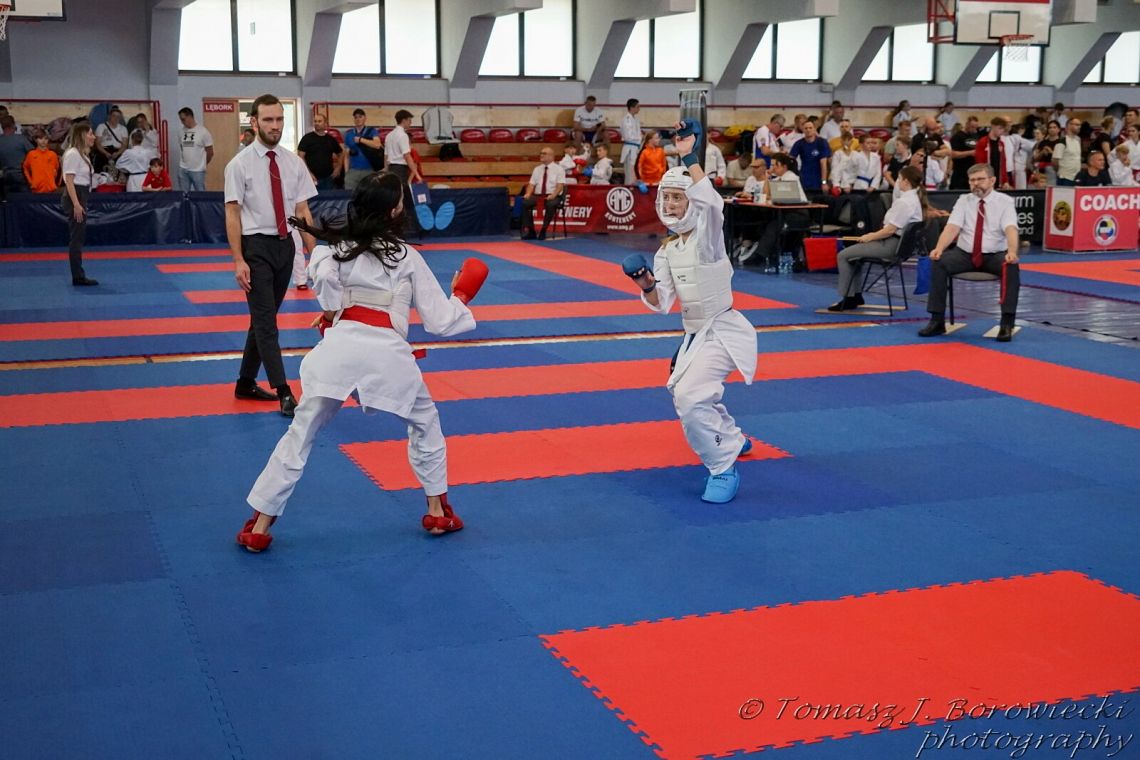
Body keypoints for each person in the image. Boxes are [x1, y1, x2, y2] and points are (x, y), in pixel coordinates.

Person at [234, 172, 489, 552]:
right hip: (388, 355)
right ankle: (438, 511)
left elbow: (330, 297)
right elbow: (440, 322)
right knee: (425, 422)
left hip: (339, 350)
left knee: (301, 432)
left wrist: (332, 316)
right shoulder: (408, 257)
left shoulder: (335, 249)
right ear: (395, 210)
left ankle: (260, 523)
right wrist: (460, 297)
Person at [620, 120, 757, 504]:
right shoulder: (667, 250)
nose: (669, 205)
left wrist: (689, 156)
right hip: (695, 335)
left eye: (677, 199)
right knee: (689, 393)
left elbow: (712, 203)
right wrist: (645, 282)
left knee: (690, 398)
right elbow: (661, 302)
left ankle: (722, 466)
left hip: (723, 330)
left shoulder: (707, 238)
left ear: (691, 202)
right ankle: (733, 438)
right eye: (665, 199)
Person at [224, 94, 319, 417]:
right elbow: (232, 213)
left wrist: (315, 254)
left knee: (263, 318)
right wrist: (238, 259)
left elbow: (302, 210)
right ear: (254, 122)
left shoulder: (293, 163)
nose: (275, 126)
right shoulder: (239, 165)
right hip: (255, 248)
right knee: (267, 323)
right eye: (268, 120)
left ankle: (245, 382)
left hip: (285, 245)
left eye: (279, 119)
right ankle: (284, 391)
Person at [919, 163, 1020, 342]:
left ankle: (1006, 323)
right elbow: (952, 227)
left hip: (995, 254)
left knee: (1011, 266)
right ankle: (937, 320)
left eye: (980, 179)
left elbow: (1010, 228)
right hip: (965, 254)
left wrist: (1012, 252)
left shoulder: (1005, 202)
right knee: (938, 263)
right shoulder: (963, 200)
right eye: (972, 180)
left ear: (992, 180)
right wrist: (939, 248)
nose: (975, 184)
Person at [827, 165, 925, 311]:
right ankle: (855, 295)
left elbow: (890, 230)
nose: (897, 182)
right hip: (896, 243)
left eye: (899, 179)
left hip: (892, 245)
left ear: (905, 181)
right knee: (854, 255)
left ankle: (848, 297)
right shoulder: (913, 199)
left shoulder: (905, 202)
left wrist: (869, 237)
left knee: (843, 255)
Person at [61, 122, 98, 286]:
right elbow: (69, 180)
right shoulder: (73, 154)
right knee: (76, 237)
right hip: (75, 194)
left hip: (81, 193)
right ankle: (77, 275)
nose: (93, 137)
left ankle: (78, 274)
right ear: (82, 135)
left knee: (78, 236)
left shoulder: (82, 154)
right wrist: (76, 203)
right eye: (90, 134)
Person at [384, 109, 423, 234]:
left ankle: (401, 228)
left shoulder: (389, 135)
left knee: (398, 200)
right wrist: (417, 174)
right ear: (404, 120)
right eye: (409, 120)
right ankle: (402, 229)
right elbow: (407, 156)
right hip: (400, 169)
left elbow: (386, 157)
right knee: (401, 200)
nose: (410, 123)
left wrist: (386, 170)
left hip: (391, 169)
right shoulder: (403, 136)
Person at [519, 146, 565, 240]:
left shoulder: (559, 169)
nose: (541, 155)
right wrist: (528, 193)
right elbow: (531, 184)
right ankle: (531, 230)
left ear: (551, 156)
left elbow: (560, 185)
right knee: (525, 203)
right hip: (538, 195)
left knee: (551, 204)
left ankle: (544, 230)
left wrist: (553, 195)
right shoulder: (537, 169)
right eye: (541, 153)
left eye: (544, 153)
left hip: (552, 195)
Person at [297, 113, 344, 191]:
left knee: (328, 198)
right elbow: (300, 157)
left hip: (328, 178)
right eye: (315, 121)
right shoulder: (307, 138)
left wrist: (338, 168)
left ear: (325, 123)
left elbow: (341, 153)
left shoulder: (330, 139)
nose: (317, 123)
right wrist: (308, 173)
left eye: (319, 121)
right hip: (311, 178)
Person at [342, 108, 383, 190]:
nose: (358, 119)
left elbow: (377, 145)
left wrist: (361, 140)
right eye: (356, 117)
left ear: (365, 118)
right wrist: (346, 172)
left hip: (369, 170)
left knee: (369, 194)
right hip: (353, 171)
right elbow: (346, 155)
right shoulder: (349, 134)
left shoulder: (371, 131)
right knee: (349, 194)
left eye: (360, 117)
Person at [789, 119, 831, 195]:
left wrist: (824, 182)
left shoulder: (822, 142)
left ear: (814, 129)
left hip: (818, 179)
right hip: (804, 177)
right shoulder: (799, 143)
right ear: (803, 130)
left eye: (810, 128)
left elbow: (823, 163)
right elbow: (790, 160)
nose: (808, 130)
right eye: (806, 128)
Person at [177, 107, 214, 191]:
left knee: (200, 194)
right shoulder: (180, 132)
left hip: (198, 170)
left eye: (183, 119)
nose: (182, 122)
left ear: (190, 117)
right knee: (184, 195)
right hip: (183, 169)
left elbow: (210, 152)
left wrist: (203, 164)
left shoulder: (203, 132)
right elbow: (182, 148)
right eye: (181, 120)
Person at [974, 117, 1013, 189]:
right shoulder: (982, 142)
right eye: (1000, 128)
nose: (1002, 131)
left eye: (1003, 129)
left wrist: (1005, 181)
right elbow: (979, 164)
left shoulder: (1001, 144)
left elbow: (1003, 164)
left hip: (998, 180)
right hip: (986, 180)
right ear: (993, 127)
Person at [948, 116, 981, 190]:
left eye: (976, 127)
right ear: (967, 124)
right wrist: (970, 153)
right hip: (960, 174)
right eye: (972, 127)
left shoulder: (976, 136)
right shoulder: (957, 137)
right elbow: (953, 154)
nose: (974, 129)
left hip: (973, 174)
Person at [0, 114, 30, 195]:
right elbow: (33, 154)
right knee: (25, 199)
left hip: (5, 176)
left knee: (7, 199)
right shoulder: (21, 139)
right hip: (21, 176)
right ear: (13, 125)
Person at [93, 107, 128, 174]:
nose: (116, 118)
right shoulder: (101, 127)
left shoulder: (123, 129)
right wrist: (105, 153)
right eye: (114, 116)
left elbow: (124, 145)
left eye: (118, 117)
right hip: (104, 151)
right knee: (101, 171)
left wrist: (118, 153)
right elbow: (98, 143)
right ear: (109, 116)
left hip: (118, 152)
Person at [1052, 118, 1082, 186]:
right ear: (1069, 125)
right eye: (1077, 125)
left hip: (1076, 177)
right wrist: (1060, 172)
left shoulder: (1078, 141)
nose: (1079, 127)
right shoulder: (1062, 141)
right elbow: (1054, 160)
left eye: (1080, 125)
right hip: (1065, 177)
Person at [619, 98, 641, 184]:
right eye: (637, 107)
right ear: (632, 107)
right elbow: (629, 137)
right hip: (630, 148)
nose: (639, 109)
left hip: (636, 148)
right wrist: (640, 138)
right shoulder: (626, 120)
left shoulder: (636, 119)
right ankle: (629, 188)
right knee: (629, 173)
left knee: (635, 172)